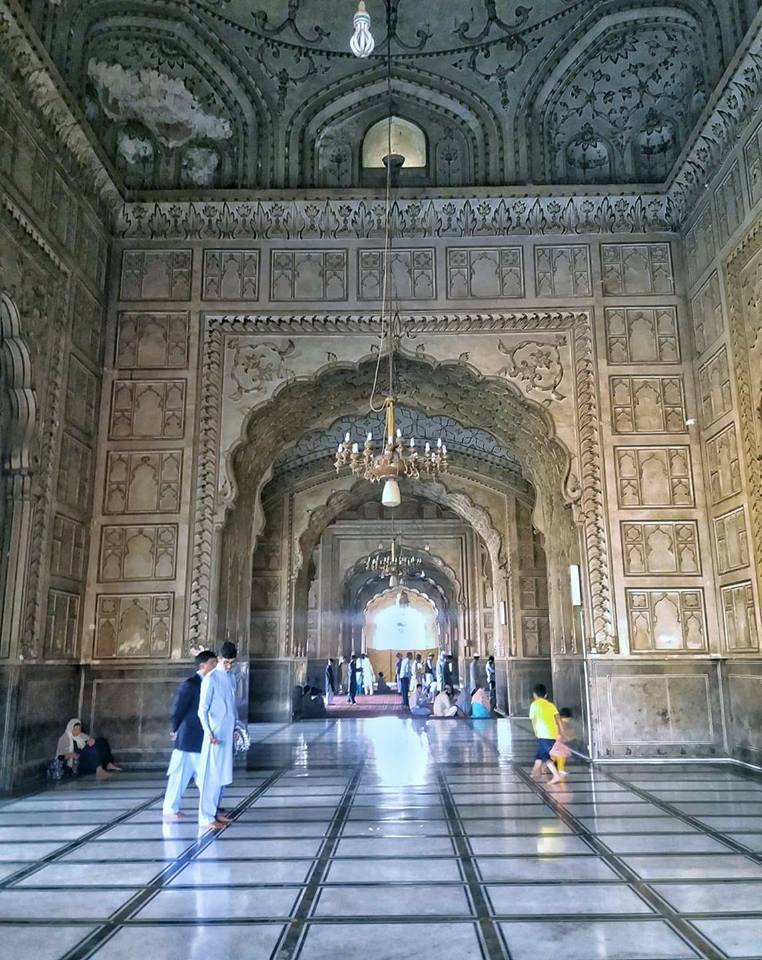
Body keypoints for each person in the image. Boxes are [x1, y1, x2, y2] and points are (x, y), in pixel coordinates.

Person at [163, 650, 218, 821]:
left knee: (204, 776)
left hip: (201, 737)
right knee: (179, 775)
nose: (215, 666)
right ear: (203, 665)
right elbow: (178, 708)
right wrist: (174, 729)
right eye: (212, 663)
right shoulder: (191, 684)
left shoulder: (212, 682)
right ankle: (171, 808)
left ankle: (211, 809)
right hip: (188, 737)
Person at [197, 640, 239, 829]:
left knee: (221, 776)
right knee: (211, 777)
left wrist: (236, 730)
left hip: (226, 734)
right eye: (226, 662)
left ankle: (214, 812)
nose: (229, 666)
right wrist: (208, 732)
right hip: (214, 736)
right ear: (219, 659)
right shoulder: (210, 679)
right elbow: (202, 710)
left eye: (232, 663)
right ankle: (206, 817)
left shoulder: (231, 678)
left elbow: (232, 707)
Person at [56, 720, 121, 780]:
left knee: (101, 741)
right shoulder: (64, 739)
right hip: (78, 763)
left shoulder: (82, 736)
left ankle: (108, 764)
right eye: (75, 729)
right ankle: (99, 771)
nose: (77, 731)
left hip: (88, 758)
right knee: (90, 749)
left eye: (79, 729)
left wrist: (91, 741)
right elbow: (60, 757)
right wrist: (71, 755)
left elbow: (89, 743)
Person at [529, 683, 562, 784]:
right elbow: (557, 718)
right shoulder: (551, 705)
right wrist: (561, 731)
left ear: (534, 695)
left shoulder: (534, 705)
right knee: (540, 754)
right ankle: (534, 773)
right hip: (552, 734)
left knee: (545, 757)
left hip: (543, 734)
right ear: (546, 695)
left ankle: (556, 775)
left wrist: (535, 731)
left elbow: (533, 720)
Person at [550, 707, 576, 776]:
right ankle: (560, 770)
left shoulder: (559, 722)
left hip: (559, 742)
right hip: (560, 743)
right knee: (561, 756)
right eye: (568, 718)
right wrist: (569, 737)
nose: (568, 720)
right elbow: (563, 733)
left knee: (555, 756)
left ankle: (548, 766)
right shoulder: (562, 723)